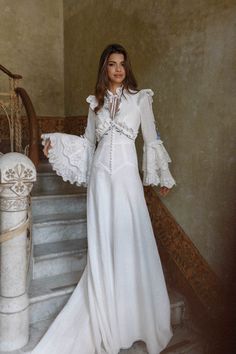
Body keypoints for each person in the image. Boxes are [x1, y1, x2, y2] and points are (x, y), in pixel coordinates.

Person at [32, 43, 176, 354]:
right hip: (100, 179)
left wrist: (162, 177)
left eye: (122, 63)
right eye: (112, 64)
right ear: (105, 69)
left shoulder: (141, 99)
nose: (119, 69)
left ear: (127, 67)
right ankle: (107, 310)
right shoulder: (94, 103)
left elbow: (151, 139)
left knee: (129, 240)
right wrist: (57, 144)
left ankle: (135, 318)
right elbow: (87, 143)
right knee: (104, 242)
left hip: (126, 181)